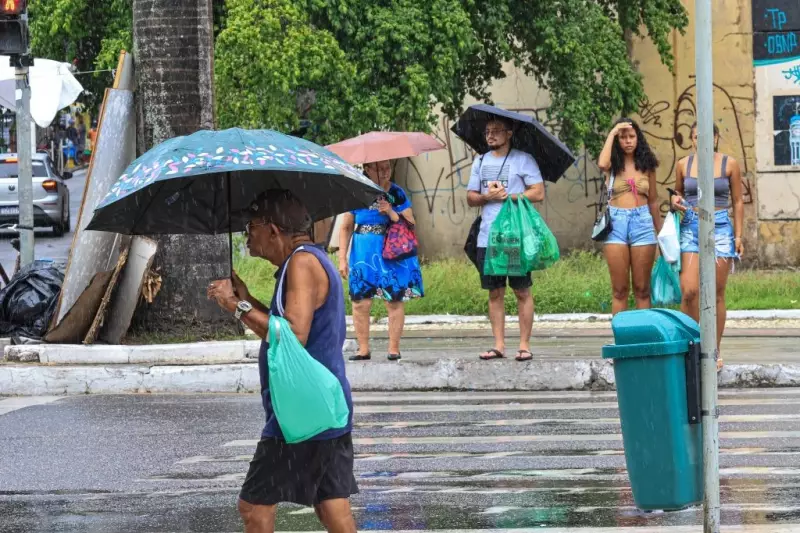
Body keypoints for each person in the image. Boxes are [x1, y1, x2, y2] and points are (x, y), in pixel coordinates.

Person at [208, 190, 358, 533]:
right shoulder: (309, 259)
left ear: (273, 229)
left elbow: (292, 334)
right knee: (331, 505)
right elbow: (288, 320)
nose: (247, 235)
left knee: (254, 506)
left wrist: (237, 307)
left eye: (251, 227)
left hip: (300, 414)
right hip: (325, 405)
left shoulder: (302, 264)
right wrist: (248, 299)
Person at [466, 117, 545, 362]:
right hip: (487, 236)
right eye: (487, 131)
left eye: (496, 131)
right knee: (494, 292)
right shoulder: (480, 161)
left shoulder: (523, 159)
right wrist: (487, 197)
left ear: (509, 133)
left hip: (514, 236)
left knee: (521, 290)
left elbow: (538, 192)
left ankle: (524, 345)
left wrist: (509, 196)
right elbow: (470, 197)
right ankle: (498, 345)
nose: (490, 135)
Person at [671, 123, 744, 371]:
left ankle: (714, 349)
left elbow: (738, 201)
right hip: (691, 225)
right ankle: (690, 347)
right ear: (691, 140)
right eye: (695, 136)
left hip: (720, 226)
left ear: (715, 138)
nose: (700, 140)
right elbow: (676, 194)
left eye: (706, 136)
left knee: (716, 292)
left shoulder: (729, 164)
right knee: (690, 291)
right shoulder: (683, 164)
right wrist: (675, 201)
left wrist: (738, 236)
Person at [338, 160, 423, 362]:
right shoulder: (356, 190)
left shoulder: (396, 193)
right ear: (367, 169)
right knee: (360, 301)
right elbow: (346, 227)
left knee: (393, 299)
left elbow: (411, 222)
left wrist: (391, 212)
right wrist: (342, 258)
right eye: (380, 168)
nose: (385, 172)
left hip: (389, 252)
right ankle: (363, 349)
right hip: (362, 252)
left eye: (388, 168)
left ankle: (393, 349)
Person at [597, 118, 662, 315]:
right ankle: (621, 332)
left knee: (642, 289)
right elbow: (602, 163)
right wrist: (612, 132)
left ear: (638, 138)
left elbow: (653, 200)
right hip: (616, 223)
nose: (628, 141)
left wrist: (660, 232)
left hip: (642, 222)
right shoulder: (612, 165)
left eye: (632, 136)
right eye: (623, 137)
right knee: (619, 289)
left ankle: (643, 331)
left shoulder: (647, 165)